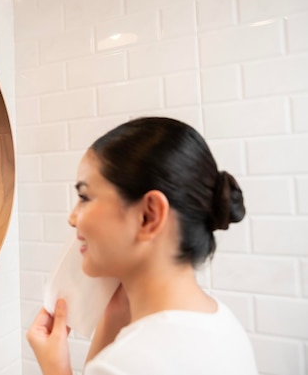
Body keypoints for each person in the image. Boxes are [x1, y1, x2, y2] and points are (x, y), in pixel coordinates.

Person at [27, 117, 258, 375]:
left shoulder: (125, 364)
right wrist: (114, 317)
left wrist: (55, 370)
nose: (72, 218)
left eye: (84, 197)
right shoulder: (225, 324)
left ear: (149, 215)